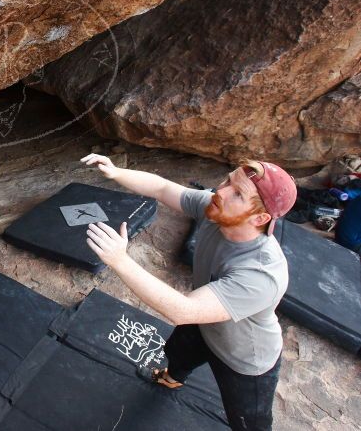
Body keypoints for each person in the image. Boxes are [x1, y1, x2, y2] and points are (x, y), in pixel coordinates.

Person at [81, 153, 296, 431]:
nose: (220, 191)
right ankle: (173, 377)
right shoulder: (218, 209)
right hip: (204, 322)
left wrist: (120, 260)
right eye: (228, 180)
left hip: (243, 357)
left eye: (237, 193)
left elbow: (182, 310)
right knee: (177, 353)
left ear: (260, 218)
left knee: (248, 422)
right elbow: (161, 188)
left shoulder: (262, 274)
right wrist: (116, 172)